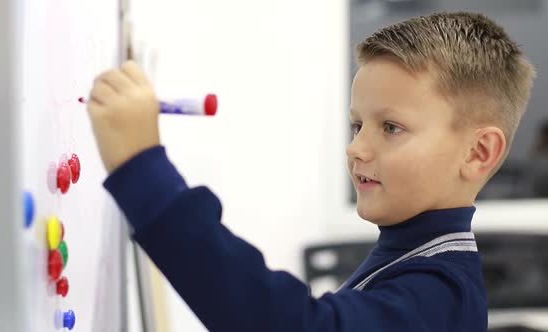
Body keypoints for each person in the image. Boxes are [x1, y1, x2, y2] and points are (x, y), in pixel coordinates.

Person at [84, 11, 535, 332]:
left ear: (478, 152)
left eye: (391, 127)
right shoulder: (409, 255)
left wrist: (144, 171)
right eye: (357, 125)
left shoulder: (441, 296)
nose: (356, 147)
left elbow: (292, 324)